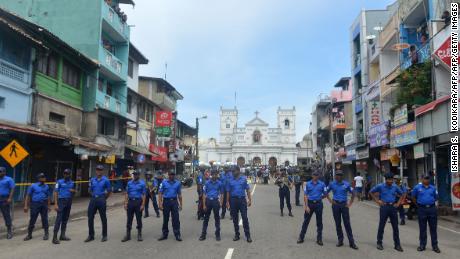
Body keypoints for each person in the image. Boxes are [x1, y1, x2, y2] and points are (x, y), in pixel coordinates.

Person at [370, 173, 405, 252]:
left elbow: (402, 194)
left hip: (393, 207)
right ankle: (379, 243)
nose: (390, 181)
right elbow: (371, 192)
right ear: (386, 180)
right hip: (384, 207)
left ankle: (397, 245)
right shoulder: (380, 186)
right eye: (389, 180)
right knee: (381, 225)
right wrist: (377, 201)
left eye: (391, 180)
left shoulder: (395, 186)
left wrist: (398, 203)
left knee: (395, 227)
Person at [326, 171, 358, 250]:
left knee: (347, 224)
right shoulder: (332, 184)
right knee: (338, 223)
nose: (339, 176)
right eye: (337, 175)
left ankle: (352, 242)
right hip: (335, 205)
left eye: (340, 175)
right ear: (335, 176)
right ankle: (340, 240)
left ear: (342, 176)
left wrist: (350, 203)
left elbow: (353, 193)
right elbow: (325, 191)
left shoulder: (346, 184)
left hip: (344, 205)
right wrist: (330, 200)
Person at [412, 175, 440, 253]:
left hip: (431, 209)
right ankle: (422, 245)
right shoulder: (417, 187)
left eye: (428, 179)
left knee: (433, 229)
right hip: (422, 209)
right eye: (425, 179)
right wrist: (418, 205)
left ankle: (435, 246)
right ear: (422, 179)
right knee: (422, 228)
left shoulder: (433, 188)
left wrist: (432, 204)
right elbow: (413, 197)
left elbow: (436, 197)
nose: (427, 180)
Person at [297, 171, 326, 246]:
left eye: (317, 175)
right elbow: (305, 195)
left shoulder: (322, 184)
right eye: (314, 175)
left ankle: (319, 239)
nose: (315, 176)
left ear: (318, 176)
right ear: (312, 175)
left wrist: (319, 198)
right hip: (310, 204)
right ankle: (301, 237)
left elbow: (325, 194)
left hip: (318, 204)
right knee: (306, 221)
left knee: (319, 222)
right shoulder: (307, 184)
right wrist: (306, 206)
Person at [85, 165, 112, 242]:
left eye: (100, 170)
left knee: (103, 218)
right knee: (90, 217)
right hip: (93, 200)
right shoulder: (93, 180)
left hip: (101, 199)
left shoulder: (106, 180)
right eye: (97, 170)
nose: (99, 171)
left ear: (102, 171)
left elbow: (109, 190)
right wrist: (93, 195)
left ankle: (104, 235)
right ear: (96, 171)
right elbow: (90, 190)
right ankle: (91, 235)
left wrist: (104, 198)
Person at [226, 166, 252, 243]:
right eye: (232, 171)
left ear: (238, 171)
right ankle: (237, 234)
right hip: (233, 200)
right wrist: (227, 202)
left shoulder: (244, 179)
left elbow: (247, 189)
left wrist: (249, 200)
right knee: (235, 218)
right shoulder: (230, 180)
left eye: (234, 171)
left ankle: (248, 235)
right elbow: (228, 192)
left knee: (244, 218)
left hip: (242, 200)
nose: (232, 173)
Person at [24, 173, 51, 241]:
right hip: (35, 204)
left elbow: (48, 196)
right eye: (42, 177)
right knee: (32, 219)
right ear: (39, 178)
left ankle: (46, 234)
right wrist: (26, 206)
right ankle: (29, 235)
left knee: (45, 219)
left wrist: (49, 206)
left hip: (44, 204)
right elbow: (28, 195)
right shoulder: (33, 186)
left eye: (44, 177)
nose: (44, 178)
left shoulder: (46, 186)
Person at [158, 170, 183, 241]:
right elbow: (160, 193)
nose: (171, 176)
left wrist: (181, 204)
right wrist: (160, 203)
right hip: (166, 202)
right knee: (165, 219)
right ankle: (164, 234)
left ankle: (177, 234)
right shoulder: (163, 182)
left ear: (174, 175)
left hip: (174, 202)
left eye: (173, 174)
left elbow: (179, 194)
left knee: (176, 219)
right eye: (170, 174)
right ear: (168, 175)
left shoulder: (178, 183)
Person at [52, 169, 75, 244]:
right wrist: (55, 204)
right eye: (65, 173)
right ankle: (54, 238)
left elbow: (73, 191)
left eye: (67, 174)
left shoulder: (72, 182)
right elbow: (55, 192)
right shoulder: (59, 182)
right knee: (59, 219)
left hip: (68, 201)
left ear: (70, 174)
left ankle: (62, 235)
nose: (66, 175)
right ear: (63, 174)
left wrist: (73, 191)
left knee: (65, 219)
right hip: (61, 201)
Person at [122, 170, 146, 242]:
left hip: (138, 202)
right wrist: (125, 203)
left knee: (139, 219)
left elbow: (144, 195)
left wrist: (143, 204)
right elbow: (127, 193)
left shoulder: (142, 183)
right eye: (134, 174)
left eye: (136, 174)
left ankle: (139, 234)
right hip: (131, 202)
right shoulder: (129, 183)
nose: (135, 176)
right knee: (129, 219)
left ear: (139, 175)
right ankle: (128, 235)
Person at [199, 170, 224, 241]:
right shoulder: (206, 183)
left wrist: (221, 203)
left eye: (216, 175)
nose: (215, 176)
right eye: (213, 175)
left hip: (216, 201)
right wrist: (204, 205)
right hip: (208, 201)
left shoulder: (220, 183)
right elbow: (204, 194)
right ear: (211, 175)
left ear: (217, 175)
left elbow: (222, 194)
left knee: (217, 218)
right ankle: (203, 235)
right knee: (206, 218)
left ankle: (217, 234)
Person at [0, 166, 15, 239]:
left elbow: (12, 189)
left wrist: (10, 198)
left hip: (5, 199)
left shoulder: (9, 179)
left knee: (6, 215)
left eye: (0, 172)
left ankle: (9, 230)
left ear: (4, 172)